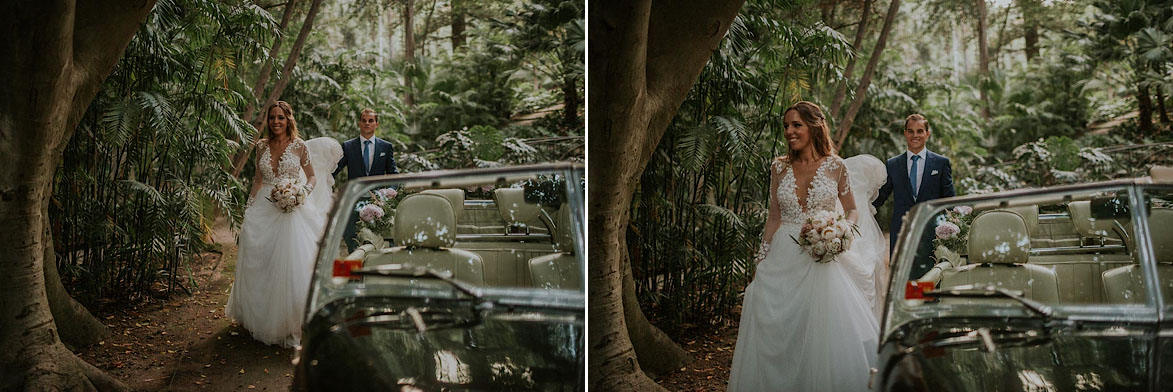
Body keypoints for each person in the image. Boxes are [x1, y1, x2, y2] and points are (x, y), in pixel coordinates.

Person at [729, 101, 886, 391]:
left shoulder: (836, 166)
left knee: (819, 334)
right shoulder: (779, 167)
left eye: (796, 125)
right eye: (786, 126)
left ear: (814, 126)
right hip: (782, 256)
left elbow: (852, 209)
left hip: (820, 259)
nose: (789, 131)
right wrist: (761, 260)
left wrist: (839, 230)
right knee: (778, 328)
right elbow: (774, 216)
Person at [225, 101, 341, 348]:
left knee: (289, 264)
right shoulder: (261, 147)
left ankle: (290, 321)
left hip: (292, 210)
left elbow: (311, 176)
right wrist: (249, 207)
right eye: (272, 118)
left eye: (280, 118)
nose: (276, 122)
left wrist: (302, 193)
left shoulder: (299, 147)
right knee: (263, 263)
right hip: (264, 208)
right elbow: (257, 180)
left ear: (289, 119)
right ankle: (264, 318)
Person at [871, 114, 956, 279]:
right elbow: (881, 196)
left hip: (932, 232)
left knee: (931, 277)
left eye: (919, 131)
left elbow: (949, 199)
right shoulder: (893, 164)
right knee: (902, 278)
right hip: (901, 231)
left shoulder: (941, 163)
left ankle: (926, 304)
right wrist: (861, 204)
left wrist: (950, 228)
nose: (915, 135)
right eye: (910, 131)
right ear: (905, 133)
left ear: (927, 134)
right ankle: (907, 304)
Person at [334, 109, 398, 252]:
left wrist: (391, 191)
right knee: (351, 234)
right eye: (364, 120)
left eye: (371, 121)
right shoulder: (348, 146)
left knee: (378, 237)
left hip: (378, 202)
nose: (367, 123)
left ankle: (374, 266)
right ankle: (355, 267)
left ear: (376, 124)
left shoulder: (386, 147)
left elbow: (393, 174)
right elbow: (336, 170)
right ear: (359, 123)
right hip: (353, 200)